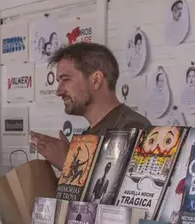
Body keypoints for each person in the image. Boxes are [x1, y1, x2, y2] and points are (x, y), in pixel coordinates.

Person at [30, 42, 151, 170]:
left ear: (96, 80)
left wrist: (69, 164)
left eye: (66, 80)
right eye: (59, 82)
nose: (58, 91)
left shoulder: (134, 128)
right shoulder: (89, 133)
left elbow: (118, 187)